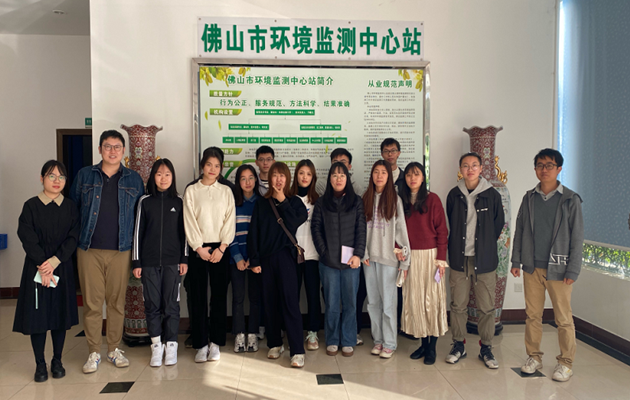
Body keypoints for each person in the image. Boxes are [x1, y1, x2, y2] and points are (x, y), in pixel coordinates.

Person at [70, 130, 144, 373]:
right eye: (108, 146)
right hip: (88, 249)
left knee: (116, 303)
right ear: (100, 149)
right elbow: (73, 210)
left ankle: (113, 349)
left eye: (117, 147)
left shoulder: (134, 179)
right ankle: (93, 352)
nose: (112, 151)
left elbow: (140, 217)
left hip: (121, 250)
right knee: (92, 304)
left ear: (123, 151)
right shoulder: (85, 175)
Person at [511, 148, 584, 382]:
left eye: (549, 165)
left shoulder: (570, 200)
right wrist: (516, 260)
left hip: (560, 269)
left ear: (559, 169)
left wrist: (573, 269)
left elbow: (577, 237)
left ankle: (566, 363)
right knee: (533, 316)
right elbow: (520, 230)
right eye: (540, 165)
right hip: (532, 266)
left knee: (563, 318)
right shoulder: (529, 198)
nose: (544, 169)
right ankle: (534, 357)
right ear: (535, 169)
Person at [13, 160, 80, 382]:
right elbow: (27, 237)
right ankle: (40, 364)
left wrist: (54, 261)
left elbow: (73, 237)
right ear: (42, 178)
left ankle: (57, 360)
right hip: (36, 268)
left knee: (60, 315)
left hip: (61, 267)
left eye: (61, 177)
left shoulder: (70, 207)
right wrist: (44, 265)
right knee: (38, 316)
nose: (57, 181)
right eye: (52, 176)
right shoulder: (30, 206)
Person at [445, 152, 504, 368]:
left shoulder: (492, 195)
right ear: (460, 169)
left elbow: (498, 224)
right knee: (458, 305)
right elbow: (451, 222)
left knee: (486, 307)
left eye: (474, 165)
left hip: (485, 261)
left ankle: (486, 347)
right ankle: (458, 344)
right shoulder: (454, 195)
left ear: (481, 168)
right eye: (465, 165)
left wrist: (483, 246)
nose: (470, 169)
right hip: (459, 259)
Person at [247, 162, 308, 368]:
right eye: (275, 175)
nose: (279, 179)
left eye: (282, 176)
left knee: (290, 303)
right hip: (266, 260)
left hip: (287, 258)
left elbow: (295, 221)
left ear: (288, 179)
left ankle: (297, 350)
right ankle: (275, 343)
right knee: (270, 302)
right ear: (269, 178)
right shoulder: (261, 203)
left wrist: (282, 200)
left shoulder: (295, 202)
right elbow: (254, 233)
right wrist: (254, 260)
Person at [132, 159, 188, 367]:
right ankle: (156, 345)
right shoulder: (145, 201)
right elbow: (137, 233)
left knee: (171, 304)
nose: (163, 178)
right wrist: (136, 262)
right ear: (153, 177)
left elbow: (185, 233)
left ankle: (171, 345)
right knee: (152, 304)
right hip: (148, 263)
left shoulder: (179, 201)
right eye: (159, 174)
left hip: (173, 263)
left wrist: (184, 259)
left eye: (167, 174)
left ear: (173, 177)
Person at [183, 147, 236, 363]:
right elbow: (189, 220)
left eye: (217, 166)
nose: (212, 169)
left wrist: (222, 247)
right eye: (209, 165)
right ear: (202, 166)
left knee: (219, 297)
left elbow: (230, 219)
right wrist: (198, 247)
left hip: (221, 249)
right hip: (198, 249)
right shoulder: (191, 190)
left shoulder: (226, 191)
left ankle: (216, 343)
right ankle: (201, 344)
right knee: (198, 297)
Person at [311, 162, 366, 357]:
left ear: (347, 178)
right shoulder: (322, 202)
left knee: (350, 303)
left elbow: (361, 229)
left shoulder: (356, 201)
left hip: (351, 262)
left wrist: (358, 254)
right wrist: (324, 252)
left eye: (342, 175)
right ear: (329, 179)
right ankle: (333, 339)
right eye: (334, 175)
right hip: (329, 263)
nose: (338, 178)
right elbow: (315, 228)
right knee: (332, 303)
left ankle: (349, 339)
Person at [399, 162, 449, 365]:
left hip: (431, 257)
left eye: (416, 174)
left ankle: (432, 348)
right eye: (409, 175)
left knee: (432, 301)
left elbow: (442, 231)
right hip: (410, 257)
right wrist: (399, 252)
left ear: (423, 177)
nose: (412, 178)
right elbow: (397, 229)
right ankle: (422, 344)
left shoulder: (432, 199)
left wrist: (441, 260)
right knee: (416, 301)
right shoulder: (401, 201)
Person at [362, 160, 411, 358]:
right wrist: (363, 252)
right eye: (376, 172)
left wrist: (405, 260)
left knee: (388, 303)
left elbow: (401, 230)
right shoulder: (365, 198)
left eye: (383, 172)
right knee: (373, 303)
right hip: (369, 259)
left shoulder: (395, 199)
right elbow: (360, 229)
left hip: (389, 259)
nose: (379, 175)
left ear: (389, 176)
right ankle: (378, 340)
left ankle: (390, 342)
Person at [229, 164, 263, 353]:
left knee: (255, 298)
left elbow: (262, 234)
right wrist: (238, 257)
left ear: (256, 180)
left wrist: (253, 258)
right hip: (236, 259)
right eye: (243, 178)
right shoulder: (232, 203)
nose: (247, 182)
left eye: (251, 178)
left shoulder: (261, 203)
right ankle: (239, 334)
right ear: (238, 182)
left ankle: (253, 333)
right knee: (238, 297)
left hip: (255, 259)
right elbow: (228, 232)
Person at [289, 160, 322, 351]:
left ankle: (312, 332)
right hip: (292, 256)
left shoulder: (318, 200)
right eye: (301, 173)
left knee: (313, 295)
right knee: (291, 296)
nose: (304, 177)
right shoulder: (288, 198)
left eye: (308, 174)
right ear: (296, 175)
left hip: (313, 256)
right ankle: (292, 332)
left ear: (313, 177)